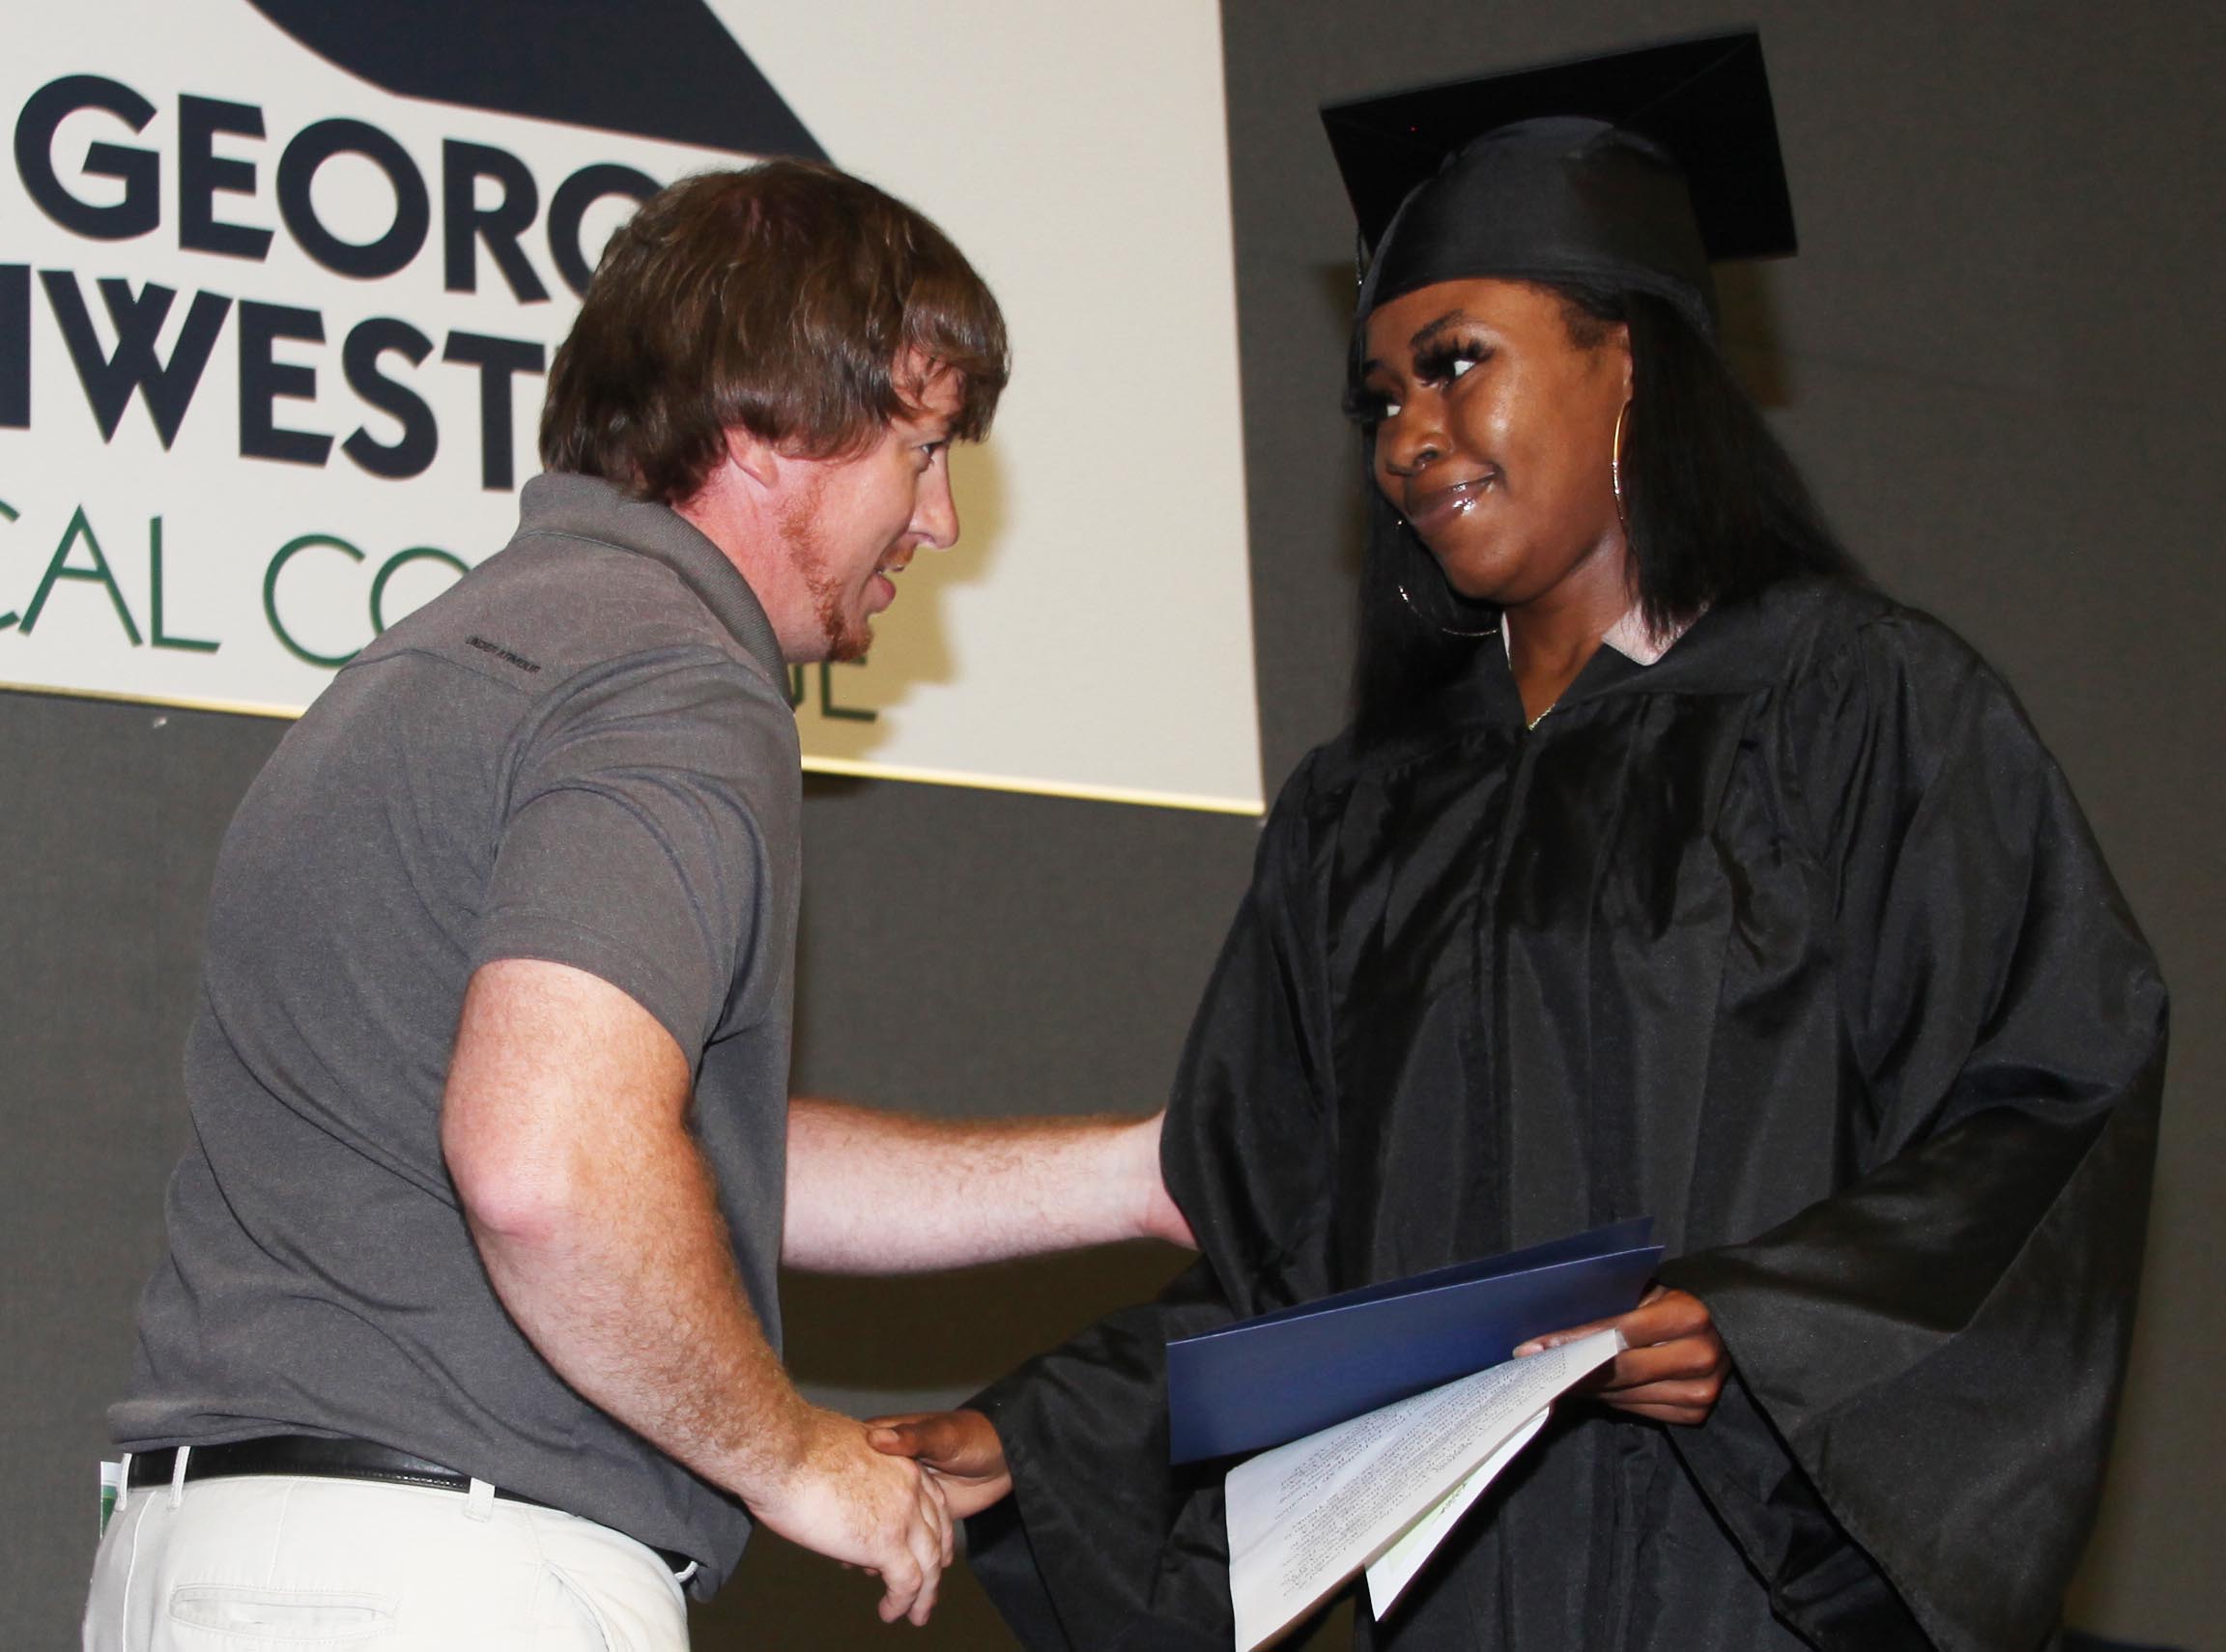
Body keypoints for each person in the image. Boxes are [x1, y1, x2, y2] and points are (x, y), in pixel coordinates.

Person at [872, 33, 2165, 1651]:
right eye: (1383, 394)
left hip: (1745, 1594)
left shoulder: (1860, 713)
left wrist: (1764, 1333)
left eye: (1458, 360)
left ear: (1629, 359)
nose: (1409, 432)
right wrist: (1040, 1433)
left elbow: (2044, 1098)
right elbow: (1280, 1261)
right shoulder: (1364, 824)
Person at [82, 159, 1190, 1652]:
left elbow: (648, 1142)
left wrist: (1134, 1174)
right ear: (767, 429)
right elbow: (552, 1163)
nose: (935, 518)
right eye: (922, 448)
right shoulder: (673, 680)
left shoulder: (438, 662)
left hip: (212, 1559)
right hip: (445, 1585)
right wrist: (798, 1457)